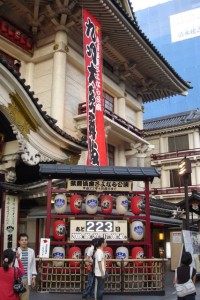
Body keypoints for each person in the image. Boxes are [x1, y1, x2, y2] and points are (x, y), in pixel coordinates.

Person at [15, 233, 37, 300]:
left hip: (26, 279)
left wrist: (33, 278)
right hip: (17, 279)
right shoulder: (15, 251)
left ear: (27, 241)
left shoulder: (31, 251)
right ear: (19, 241)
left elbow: (33, 265)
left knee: (25, 298)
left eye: (25, 240)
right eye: (22, 240)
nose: (24, 241)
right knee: (16, 297)